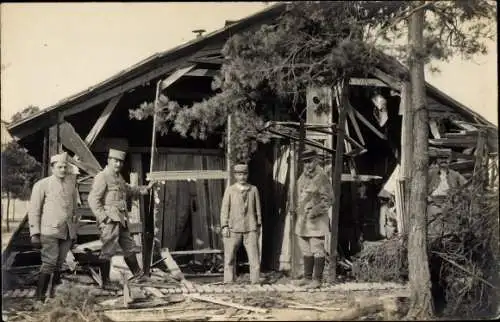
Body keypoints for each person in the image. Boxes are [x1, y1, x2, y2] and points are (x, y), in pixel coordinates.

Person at [88, 148, 154, 289]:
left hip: (121, 219)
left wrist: (146, 189)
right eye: (115, 161)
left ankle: (138, 275)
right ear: (109, 160)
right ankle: (105, 282)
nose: (118, 164)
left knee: (129, 247)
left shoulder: (119, 177)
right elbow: (93, 199)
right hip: (110, 220)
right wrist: (103, 217)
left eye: (120, 162)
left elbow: (129, 190)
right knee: (108, 249)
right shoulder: (103, 176)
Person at [29, 152, 79, 302]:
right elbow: (34, 210)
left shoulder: (71, 184)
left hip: (67, 232)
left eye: (65, 167)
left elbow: (74, 209)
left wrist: (74, 233)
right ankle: (39, 298)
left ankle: (53, 297)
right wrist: (34, 233)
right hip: (49, 231)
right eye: (59, 167)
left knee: (59, 264)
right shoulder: (42, 185)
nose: (63, 170)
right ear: (52, 168)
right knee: (49, 263)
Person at [295, 149, 333, 288]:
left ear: (316, 160)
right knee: (305, 249)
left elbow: (329, 200)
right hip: (303, 220)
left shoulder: (321, 176)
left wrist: (314, 212)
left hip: (316, 220)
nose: (308, 165)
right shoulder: (303, 176)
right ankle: (307, 277)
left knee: (317, 249)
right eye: (305, 162)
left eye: (310, 161)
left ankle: (317, 280)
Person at [220, 164, 262, 284]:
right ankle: (229, 281)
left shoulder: (253, 189)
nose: (242, 177)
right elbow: (224, 209)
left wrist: (258, 224)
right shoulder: (230, 190)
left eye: (244, 174)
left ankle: (255, 281)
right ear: (235, 176)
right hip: (233, 228)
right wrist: (224, 226)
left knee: (254, 257)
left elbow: (258, 208)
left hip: (250, 227)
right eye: (239, 174)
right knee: (230, 256)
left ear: (247, 175)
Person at [427, 156, 467, 236]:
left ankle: (448, 241)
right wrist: (428, 198)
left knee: (451, 227)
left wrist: (458, 196)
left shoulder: (455, 174)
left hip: (449, 202)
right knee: (434, 227)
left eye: (446, 158)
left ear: (450, 160)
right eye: (441, 158)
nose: (443, 160)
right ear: (437, 160)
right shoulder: (431, 173)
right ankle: (435, 241)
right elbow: (420, 186)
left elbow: (466, 185)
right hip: (433, 202)